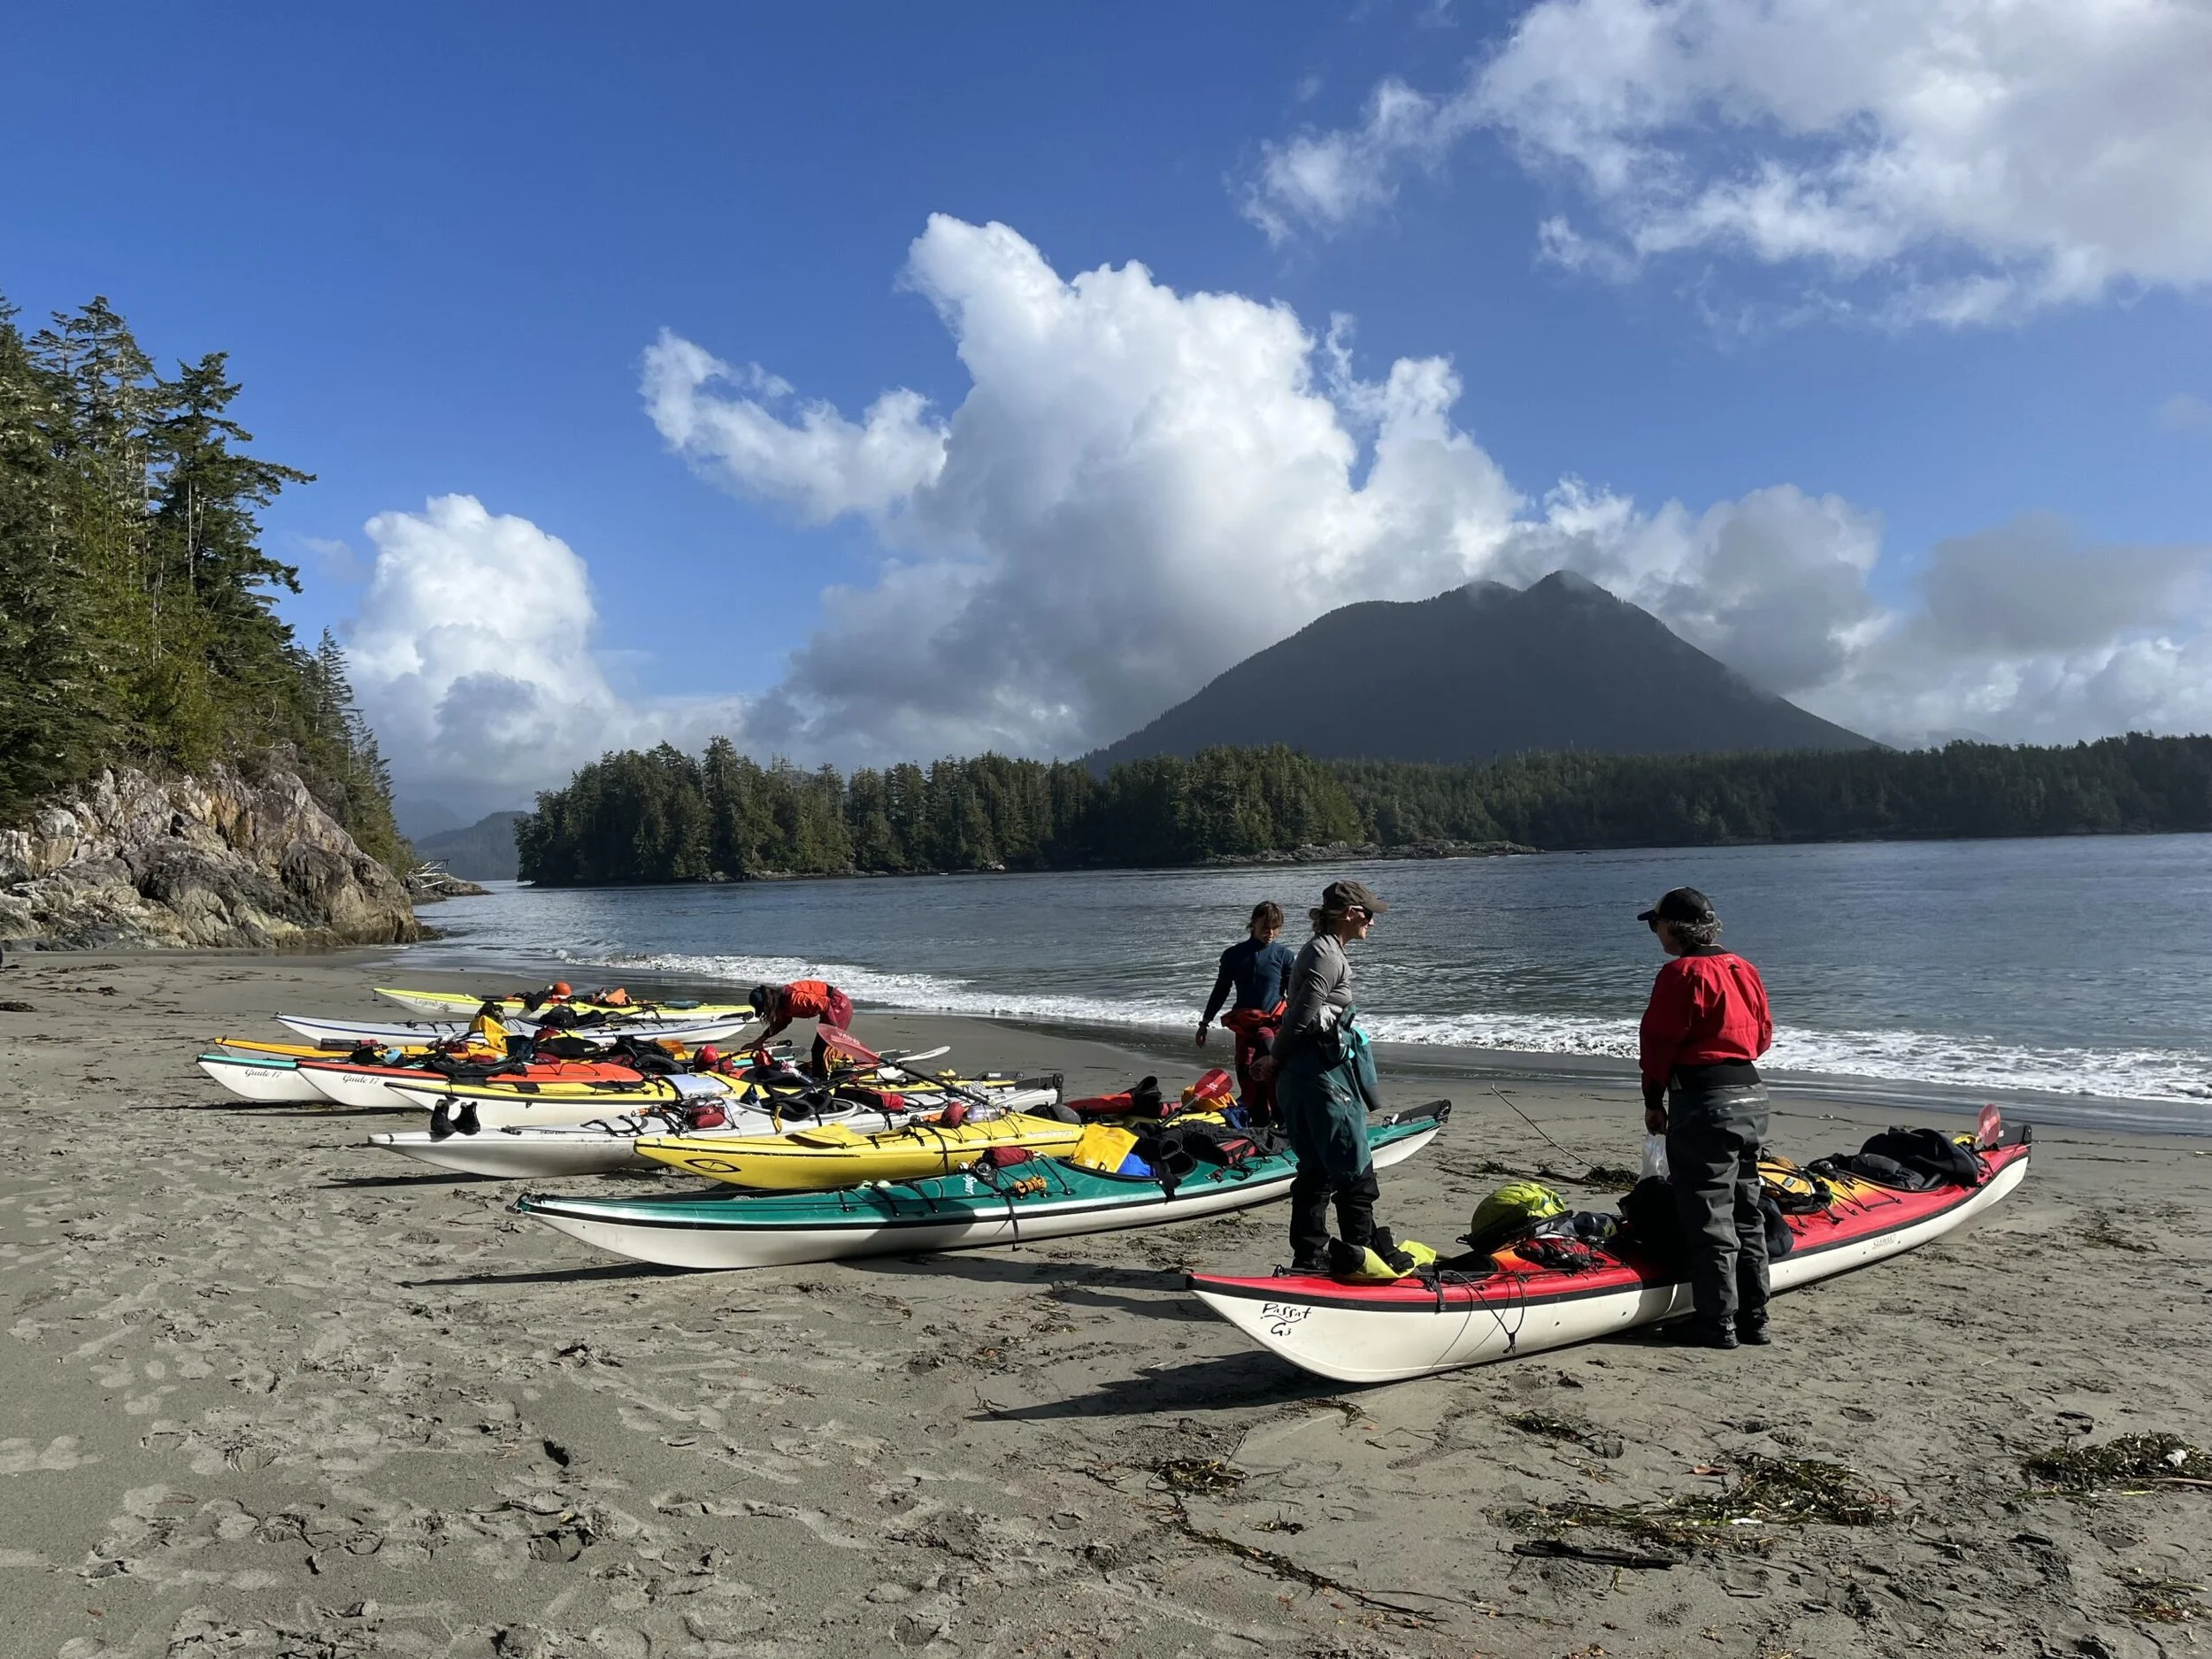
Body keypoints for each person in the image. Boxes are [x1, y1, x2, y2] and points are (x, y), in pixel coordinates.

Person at [1637, 886, 1776, 1349]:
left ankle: (1717, 1321)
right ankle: (1754, 1314)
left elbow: (1658, 1045)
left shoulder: (1680, 974)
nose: (1655, 933)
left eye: (1655, 924)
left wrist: (1654, 1100)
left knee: (1708, 1215)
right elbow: (1762, 1037)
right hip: (1751, 1094)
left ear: (1673, 928)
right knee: (1746, 1209)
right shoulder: (1743, 967)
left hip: (1704, 1101)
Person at [1256, 879, 1401, 1276]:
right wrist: (1273, 1059)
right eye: (1368, 913)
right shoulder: (1326, 954)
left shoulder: (1324, 950)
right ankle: (1359, 1257)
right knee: (1354, 1171)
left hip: (1307, 1076)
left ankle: (1310, 1255)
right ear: (1352, 913)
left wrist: (1278, 1060)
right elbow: (1302, 1014)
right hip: (1320, 1080)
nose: (1373, 921)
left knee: (1316, 1170)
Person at [1196, 901, 1296, 1121]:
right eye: (1265, 927)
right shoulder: (1234, 955)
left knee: (1275, 1078)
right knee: (1248, 1078)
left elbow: (1295, 996)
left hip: (1274, 1027)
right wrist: (1205, 1022)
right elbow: (1221, 990)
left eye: (1275, 928)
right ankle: (1259, 1125)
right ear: (1253, 923)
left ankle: (1283, 1126)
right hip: (1245, 1028)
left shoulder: (1284, 956)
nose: (1270, 933)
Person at [748, 979, 856, 1074]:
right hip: (830, 1008)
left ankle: (822, 1078)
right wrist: (761, 1040)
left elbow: (825, 1003)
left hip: (838, 1006)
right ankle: (822, 1071)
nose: (765, 1013)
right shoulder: (781, 1001)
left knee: (820, 1050)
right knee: (820, 1050)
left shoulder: (794, 1000)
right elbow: (781, 1023)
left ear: (768, 1004)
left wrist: (832, 1028)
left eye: (764, 1010)